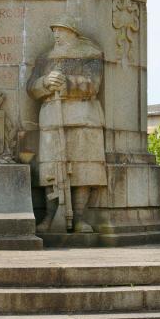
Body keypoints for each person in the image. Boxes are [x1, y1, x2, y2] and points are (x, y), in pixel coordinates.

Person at [27, 16, 107, 233]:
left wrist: (68, 82)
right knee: (52, 169)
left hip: (83, 116)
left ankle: (80, 217)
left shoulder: (90, 54)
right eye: (54, 30)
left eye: (61, 30)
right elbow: (31, 87)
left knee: (84, 168)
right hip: (53, 116)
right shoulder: (45, 57)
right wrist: (44, 82)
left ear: (73, 32)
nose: (56, 35)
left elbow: (94, 84)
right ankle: (51, 216)